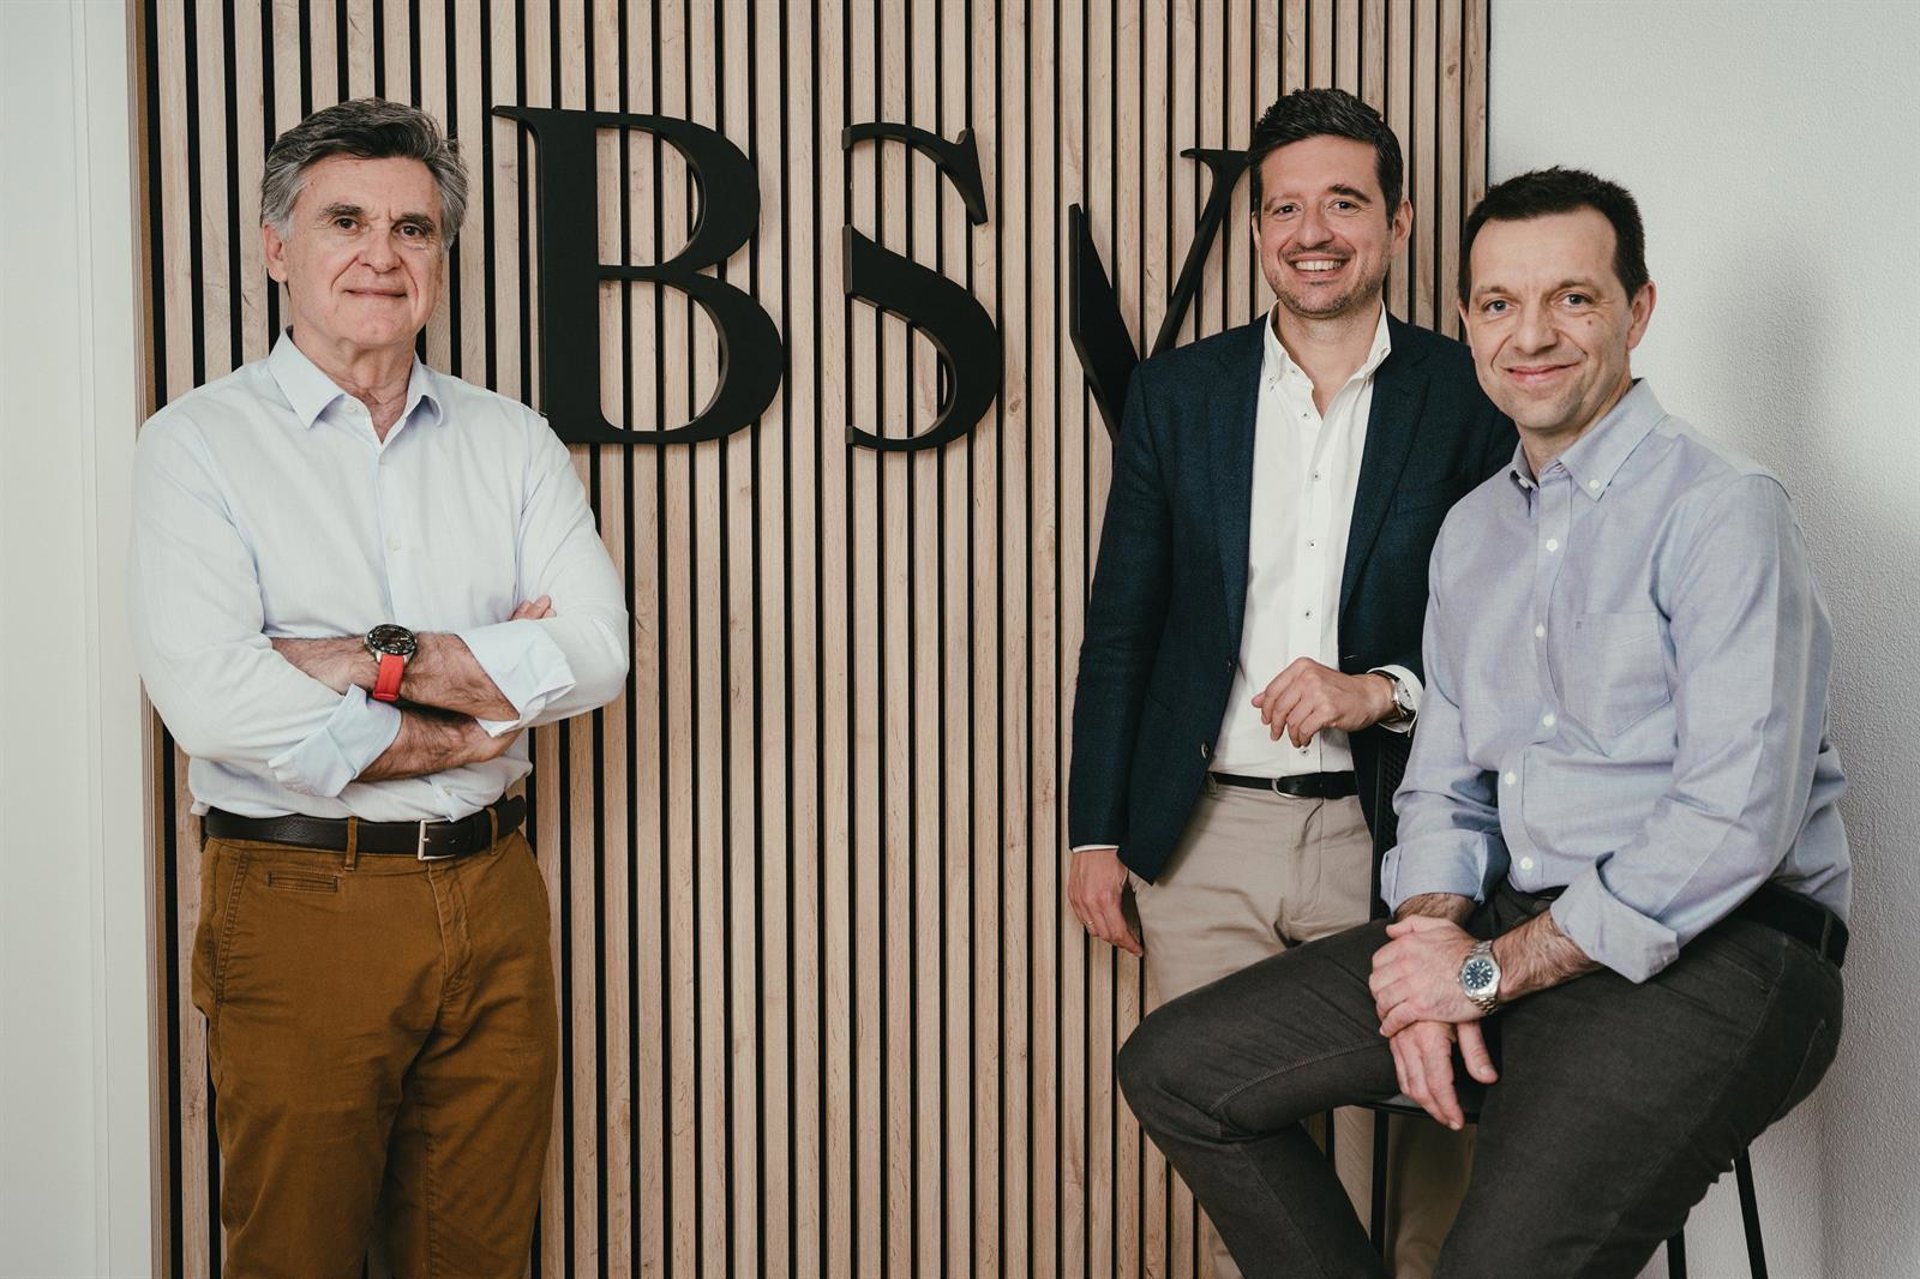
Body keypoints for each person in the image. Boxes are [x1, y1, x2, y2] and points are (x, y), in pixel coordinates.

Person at [1116, 166, 1849, 1278]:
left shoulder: (1723, 510)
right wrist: (1427, 950)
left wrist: (1482, 977)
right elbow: (1444, 786)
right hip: (1516, 931)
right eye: (1500, 303)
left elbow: (1732, 820)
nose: (1532, 335)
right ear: (1466, 322)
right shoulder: (1470, 536)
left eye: (1573, 298)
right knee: (1178, 1068)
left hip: (1725, 952)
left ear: (1639, 309)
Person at [129, 98, 630, 1277]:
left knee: (477, 1258)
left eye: (413, 229)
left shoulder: (512, 442)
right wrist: (478, 714)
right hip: (302, 898)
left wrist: (359, 659)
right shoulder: (195, 446)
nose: (381, 254)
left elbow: (598, 652)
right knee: (294, 1255)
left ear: (440, 261)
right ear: (276, 248)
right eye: (344, 220)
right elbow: (216, 701)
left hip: (496, 898)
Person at [1067, 88, 1512, 1275]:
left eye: (1344, 203)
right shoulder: (1178, 395)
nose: (1312, 232)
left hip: (1397, 836)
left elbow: (1509, 637)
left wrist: (1384, 690)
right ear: (1259, 228)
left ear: (1398, 223)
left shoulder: (1469, 393)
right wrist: (1096, 830)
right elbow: (1124, 628)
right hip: (1203, 840)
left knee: (1420, 1157)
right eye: (1284, 208)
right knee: (1246, 1164)